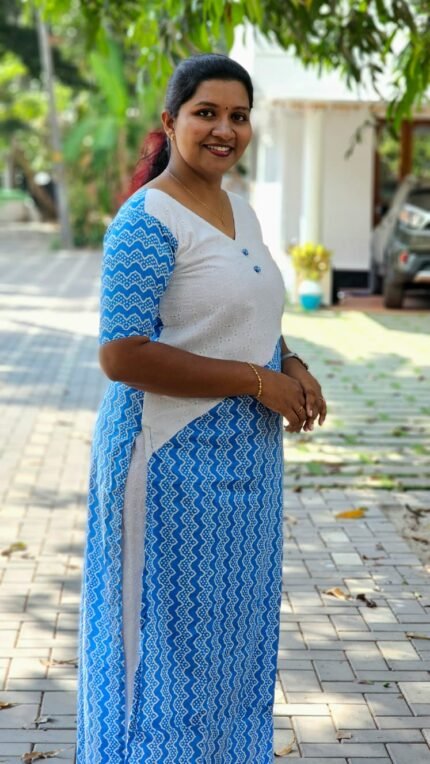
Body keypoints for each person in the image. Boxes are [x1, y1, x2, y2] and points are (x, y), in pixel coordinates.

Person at [77, 53, 327, 764]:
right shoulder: (146, 220)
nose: (224, 129)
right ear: (171, 121)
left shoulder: (241, 211)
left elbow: (248, 314)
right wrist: (256, 381)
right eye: (206, 113)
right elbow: (122, 354)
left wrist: (291, 364)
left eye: (238, 116)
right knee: (163, 656)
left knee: (231, 647)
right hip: (167, 467)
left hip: (248, 466)